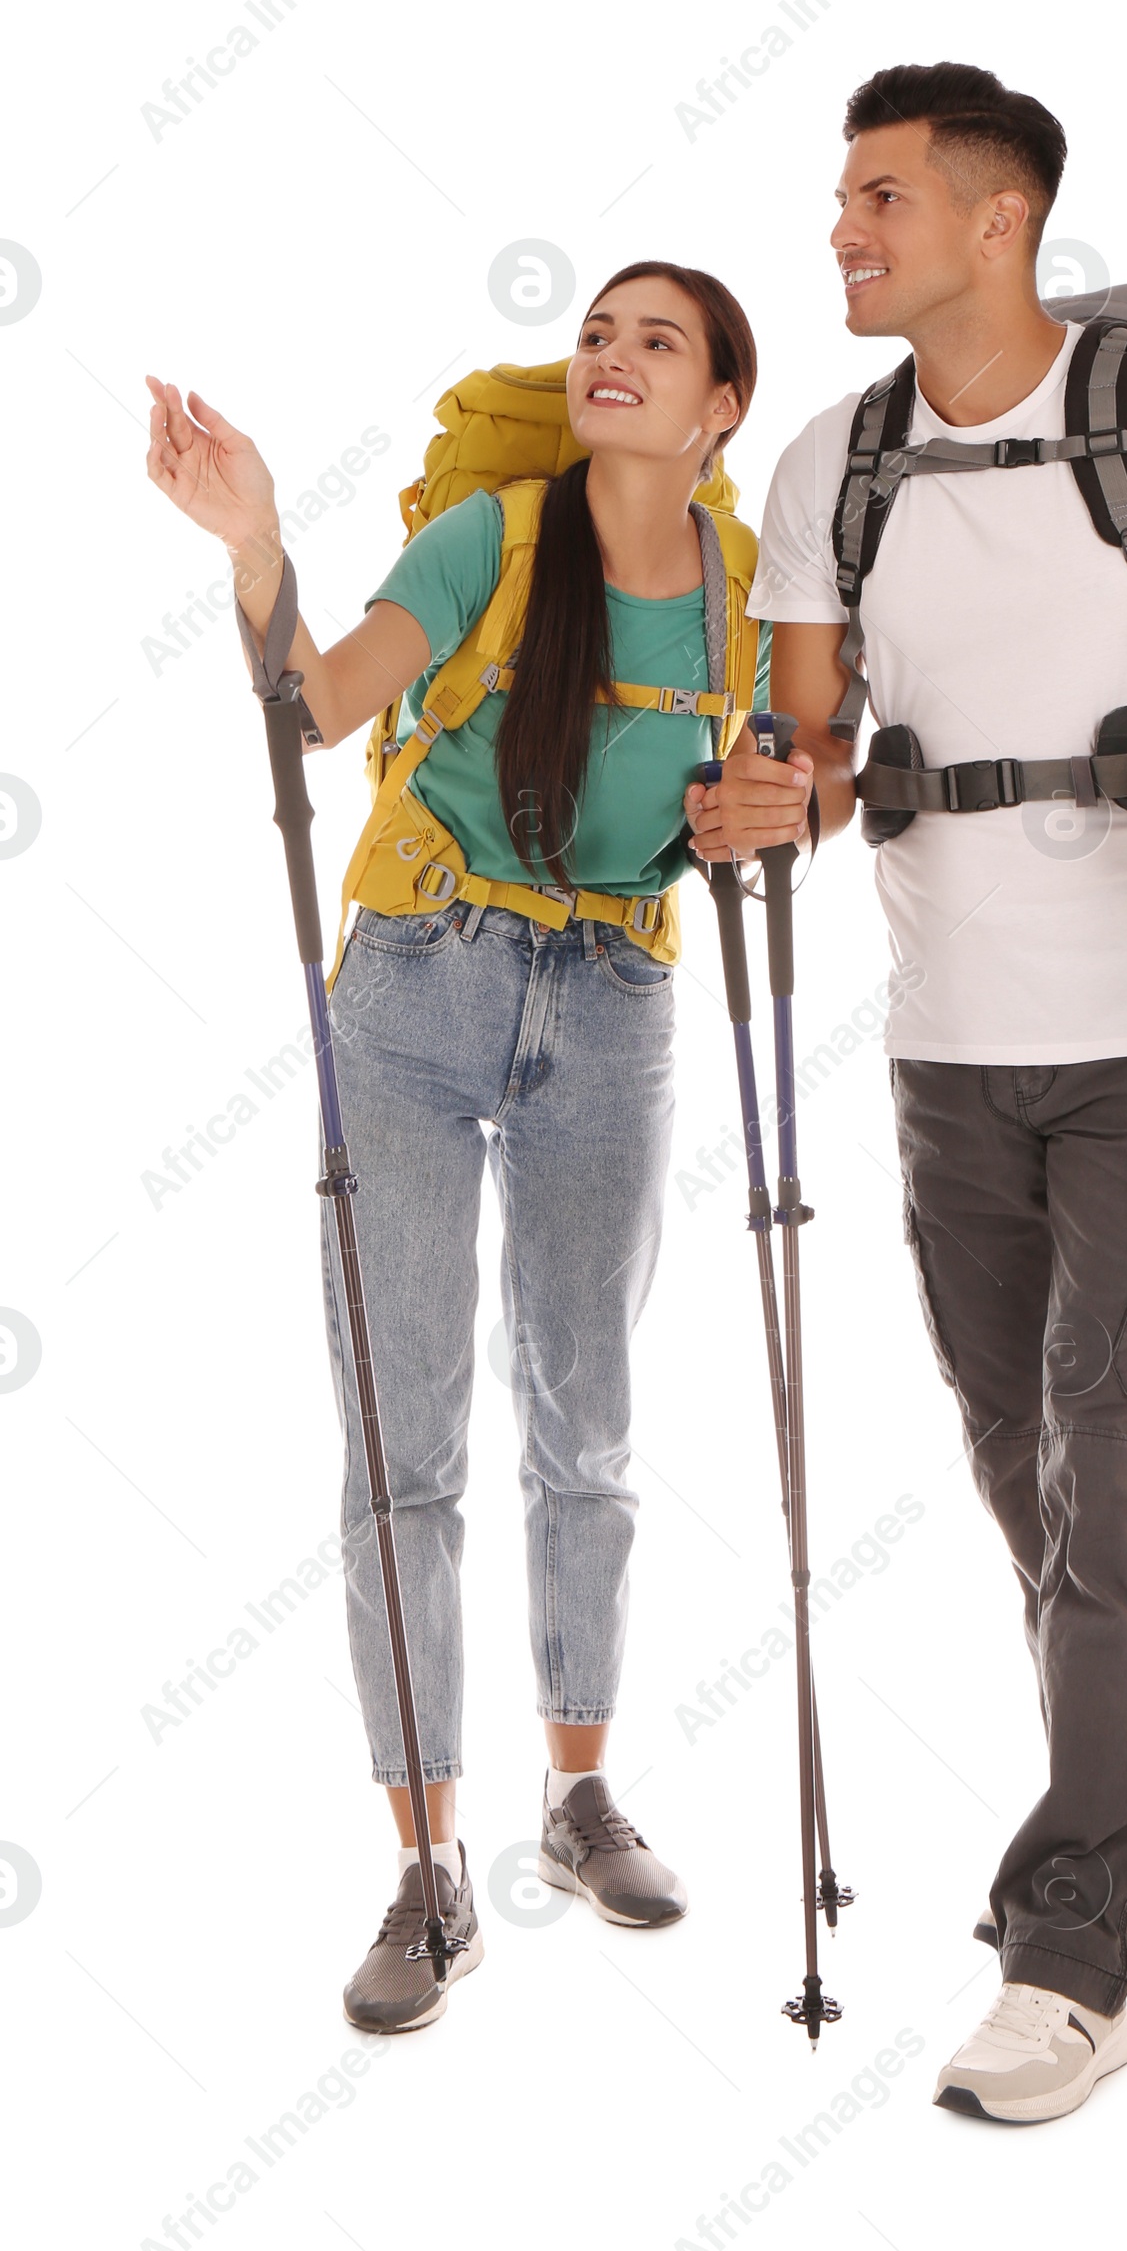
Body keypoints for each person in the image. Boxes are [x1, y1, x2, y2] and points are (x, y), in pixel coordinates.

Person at [688, 64, 1127, 2122]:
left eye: (880, 199)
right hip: (939, 1053)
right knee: (1035, 1463)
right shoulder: (831, 460)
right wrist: (767, 795)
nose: (842, 232)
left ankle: (1068, 1952)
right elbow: (812, 746)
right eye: (837, 201)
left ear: (1002, 221)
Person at [146, 262, 806, 2033]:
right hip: (421, 987)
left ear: (721, 407)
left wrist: (786, 799)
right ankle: (428, 1869)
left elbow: (802, 775)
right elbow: (322, 701)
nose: (613, 356)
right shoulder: (492, 541)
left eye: (658, 341)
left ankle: (578, 1796)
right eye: (599, 331)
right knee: (403, 1437)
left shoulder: (751, 594)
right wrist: (256, 541)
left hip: (615, 995)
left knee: (583, 1416)